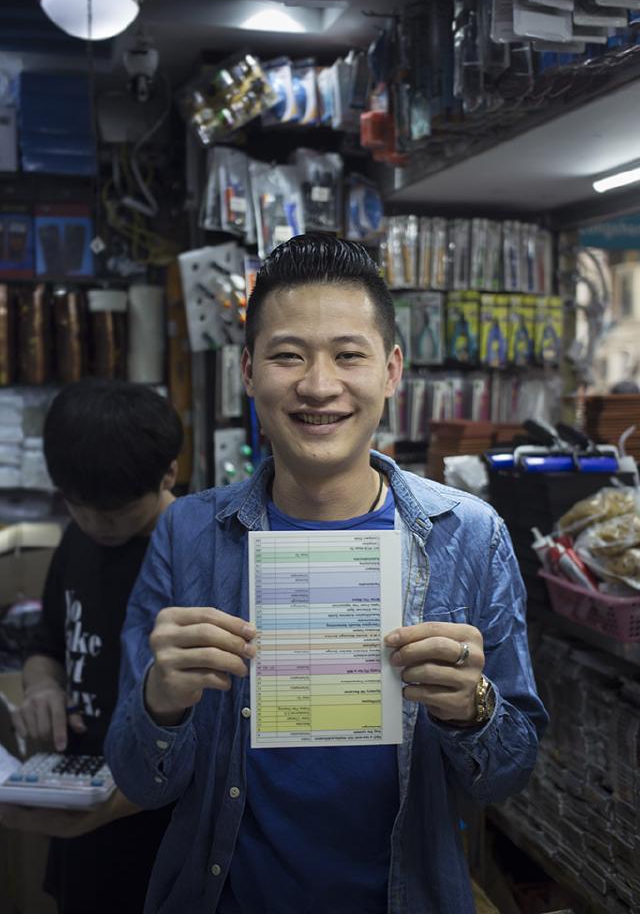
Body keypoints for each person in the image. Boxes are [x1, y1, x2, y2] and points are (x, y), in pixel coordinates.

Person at [105, 234, 548, 914]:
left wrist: (472, 708)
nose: (318, 386)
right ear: (248, 370)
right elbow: (140, 779)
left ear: (392, 370)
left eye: (349, 355)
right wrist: (162, 701)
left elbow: (508, 777)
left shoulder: (472, 536)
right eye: (288, 355)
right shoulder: (188, 533)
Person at [0, 379, 183, 914]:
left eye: (119, 511)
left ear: (168, 473)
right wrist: (42, 687)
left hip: (161, 834)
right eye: (80, 507)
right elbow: (47, 642)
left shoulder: (195, 554)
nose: (98, 525)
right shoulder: (77, 537)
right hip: (77, 810)